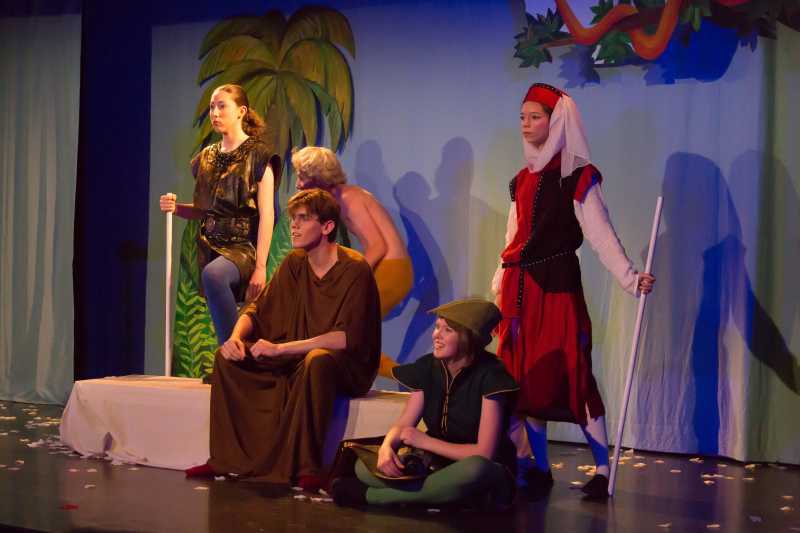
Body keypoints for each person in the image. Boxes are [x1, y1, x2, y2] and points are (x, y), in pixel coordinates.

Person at [490, 83, 655, 499]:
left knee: (571, 372)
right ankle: (540, 467)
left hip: (556, 287)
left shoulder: (577, 177)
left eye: (536, 117)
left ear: (557, 122)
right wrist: (498, 288)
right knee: (526, 380)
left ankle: (601, 468)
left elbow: (600, 233)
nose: (526, 125)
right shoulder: (520, 180)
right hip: (519, 291)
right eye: (523, 117)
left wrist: (630, 278)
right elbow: (512, 240)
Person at [186, 189, 381, 490]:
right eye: (293, 219)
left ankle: (307, 467)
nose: (294, 226)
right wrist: (234, 338)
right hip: (295, 355)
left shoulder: (355, 268)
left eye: (303, 219)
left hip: (344, 366)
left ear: (327, 226)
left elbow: (344, 339)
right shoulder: (295, 262)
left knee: (317, 361)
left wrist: (279, 349)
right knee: (227, 360)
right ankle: (226, 459)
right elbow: (257, 310)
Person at [331, 298, 519, 509]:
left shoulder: (491, 375)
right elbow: (404, 425)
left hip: (479, 467)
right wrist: (387, 447)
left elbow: (485, 453)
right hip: (437, 465)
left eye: (447, 330)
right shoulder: (427, 367)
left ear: (469, 338)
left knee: (475, 469)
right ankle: (439, 493)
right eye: (437, 327)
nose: (436, 335)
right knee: (363, 466)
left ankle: (373, 496)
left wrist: (424, 442)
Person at [160, 84, 281, 343]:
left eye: (222, 106)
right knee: (213, 277)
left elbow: (268, 215)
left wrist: (261, 267)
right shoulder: (206, 157)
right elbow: (203, 210)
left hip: (243, 248)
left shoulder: (259, 156)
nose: (215, 113)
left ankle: (231, 352)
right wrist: (177, 208)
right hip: (210, 245)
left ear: (241, 111)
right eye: (212, 107)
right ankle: (235, 352)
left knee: (214, 274)